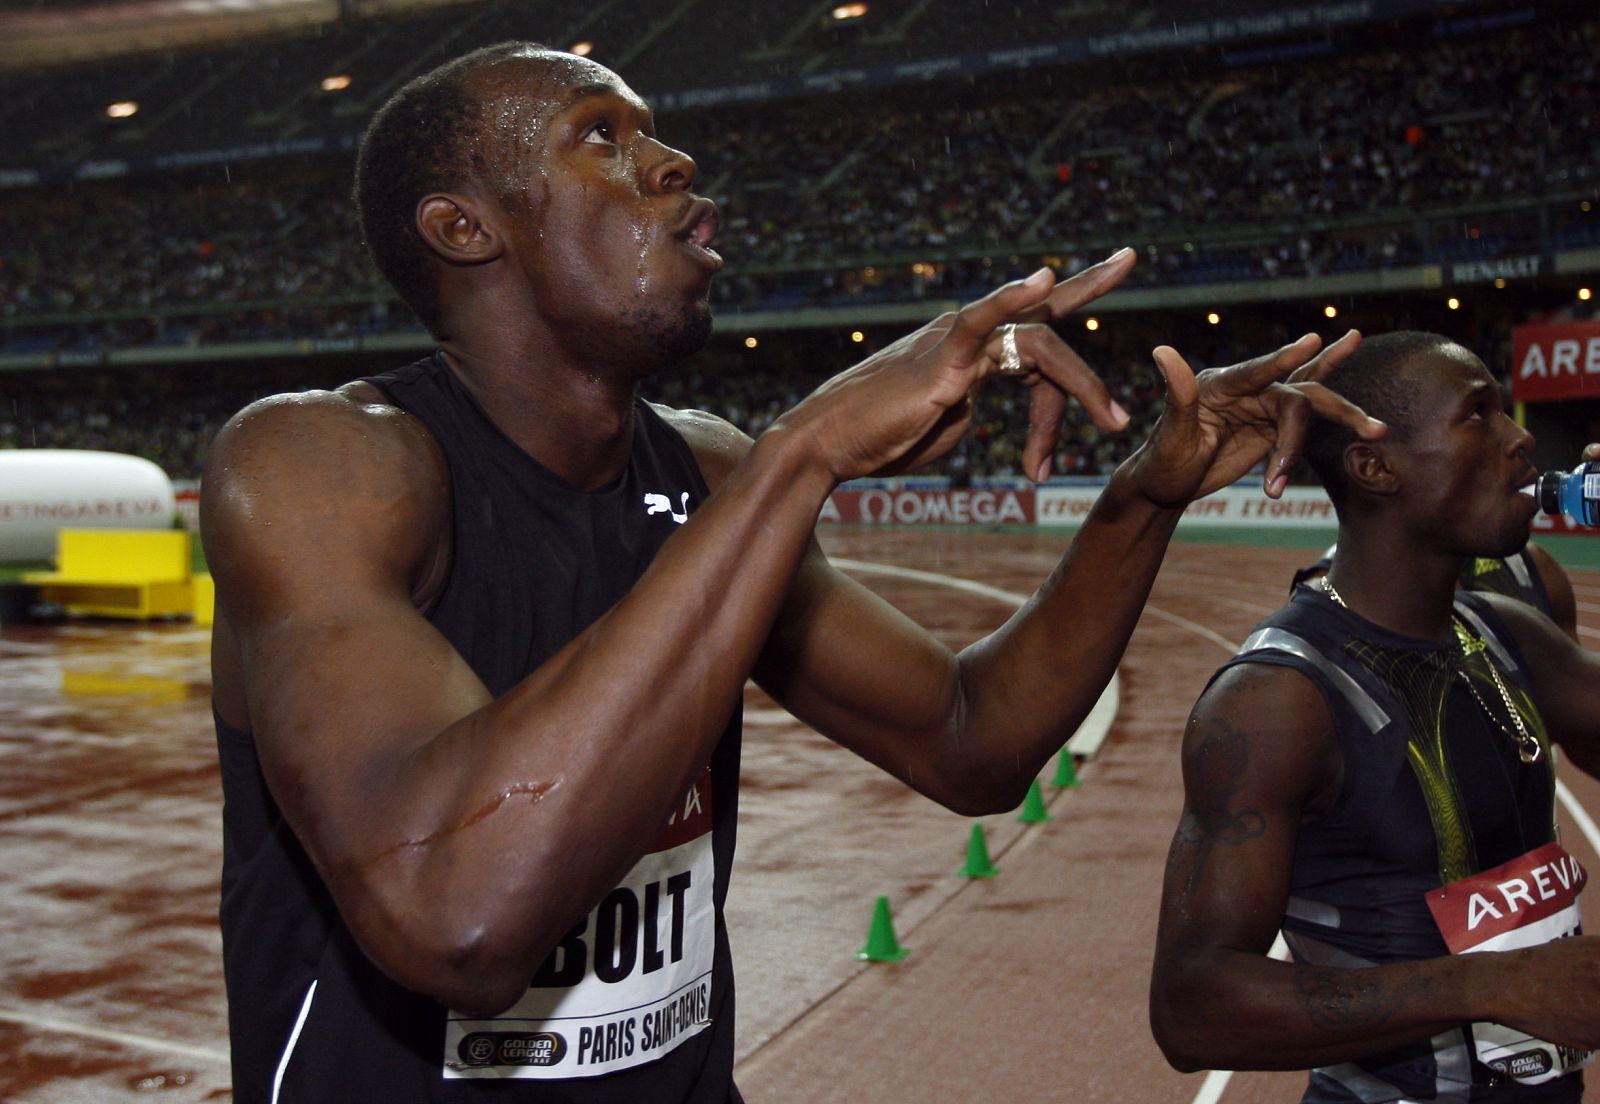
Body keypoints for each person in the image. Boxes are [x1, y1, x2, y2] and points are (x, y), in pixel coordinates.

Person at [202, 42, 1381, 1103]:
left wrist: (1142, 496)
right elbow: (455, 917)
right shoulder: (320, 465)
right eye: (599, 136)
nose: (670, 161)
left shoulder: (708, 474)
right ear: (467, 228)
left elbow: (972, 740)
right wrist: (806, 451)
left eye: (652, 129)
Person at [1149, 331, 1600, 1103]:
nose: (1522, 440)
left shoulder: (1507, 631)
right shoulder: (1277, 700)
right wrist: (1489, 986)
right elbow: (1191, 1008)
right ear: (1374, 465)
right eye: (1479, 415)